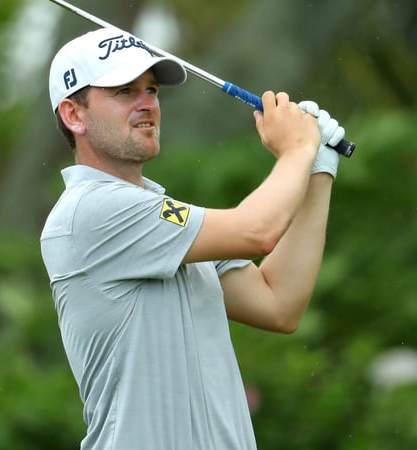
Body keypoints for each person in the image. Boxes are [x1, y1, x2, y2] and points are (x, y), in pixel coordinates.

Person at [40, 27, 345, 450]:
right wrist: (296, 150)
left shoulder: (163, 220)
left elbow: (279, 303)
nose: (147, 103)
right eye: (124, 91)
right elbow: (256, 232)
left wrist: (317, 168)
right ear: (74, 115)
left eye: (151, 90)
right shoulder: (90, 211)